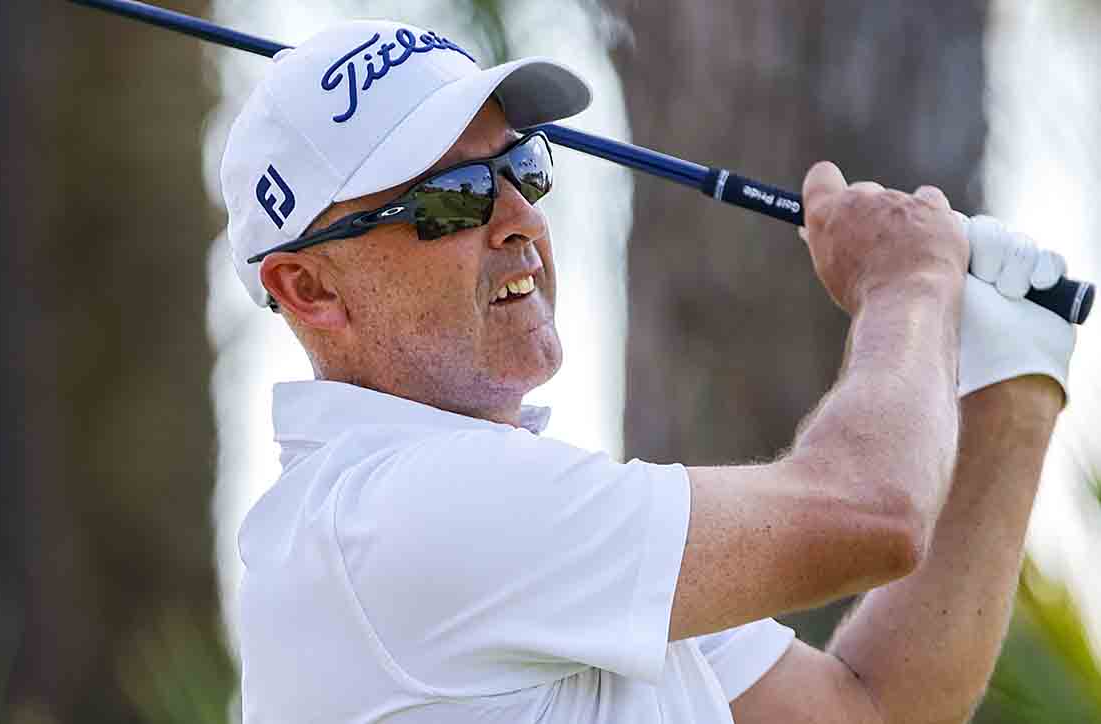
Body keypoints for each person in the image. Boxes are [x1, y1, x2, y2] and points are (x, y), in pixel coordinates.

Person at [220, 20, 1076, 724]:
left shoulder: (519, 527)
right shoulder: (393, 514)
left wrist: (1013, 384)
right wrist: (907, 286)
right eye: (452, 198)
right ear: (309, 287)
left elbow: (870, 707)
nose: (520, 219)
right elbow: (871, 511)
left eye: (522, 167)